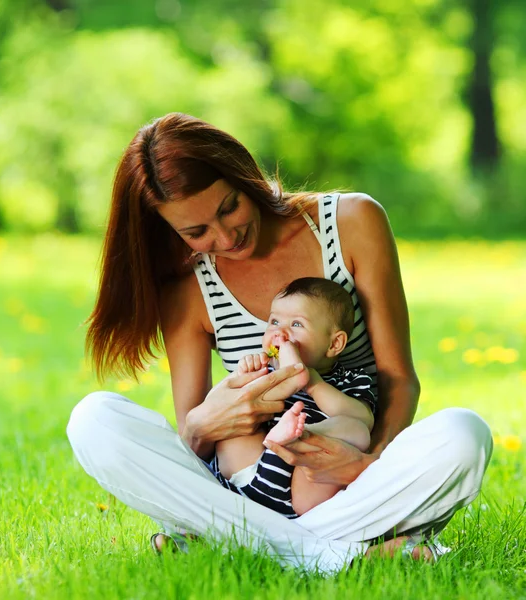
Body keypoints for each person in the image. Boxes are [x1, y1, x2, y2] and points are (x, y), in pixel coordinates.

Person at [67, 113, 492, 573]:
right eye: (196, 232)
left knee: (463, 434)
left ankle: (239, 543)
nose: (226, 237)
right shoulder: (188, 287)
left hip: (346, 481)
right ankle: (337, 556)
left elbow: (397, 378)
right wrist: (203, 424)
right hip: (248, 486)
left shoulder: (351, 221)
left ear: (242, 174)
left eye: (228, 207)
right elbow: (193, 448)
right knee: (94, 421)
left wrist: (363, 465)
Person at [215, 277, 376, 518]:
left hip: (302, 488)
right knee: (232, 418)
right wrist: (245, 374)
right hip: (245, 474)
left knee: (356, 430)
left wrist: (312, 382)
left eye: (297, 324)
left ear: (334, 343)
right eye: (274, 321)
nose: (280, 332)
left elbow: (365, 420)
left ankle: (294, 438)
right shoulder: (264, 371)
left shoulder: (351, 380)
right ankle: (183, 536)